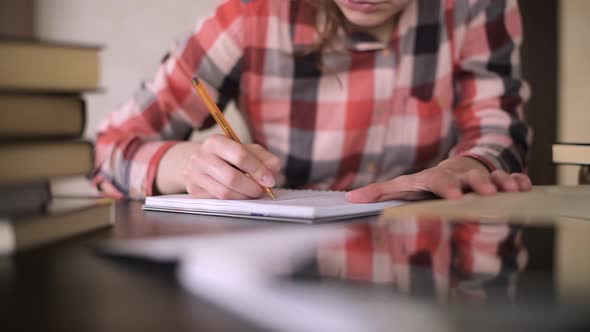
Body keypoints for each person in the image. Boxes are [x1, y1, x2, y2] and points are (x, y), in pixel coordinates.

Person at [93, 0, 533, 202]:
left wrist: (470, 167)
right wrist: (186, 164)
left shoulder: (478, 7)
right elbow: (110, 148)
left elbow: (496, 132)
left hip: (431, 265)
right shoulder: (250, 16)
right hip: (282, 272)